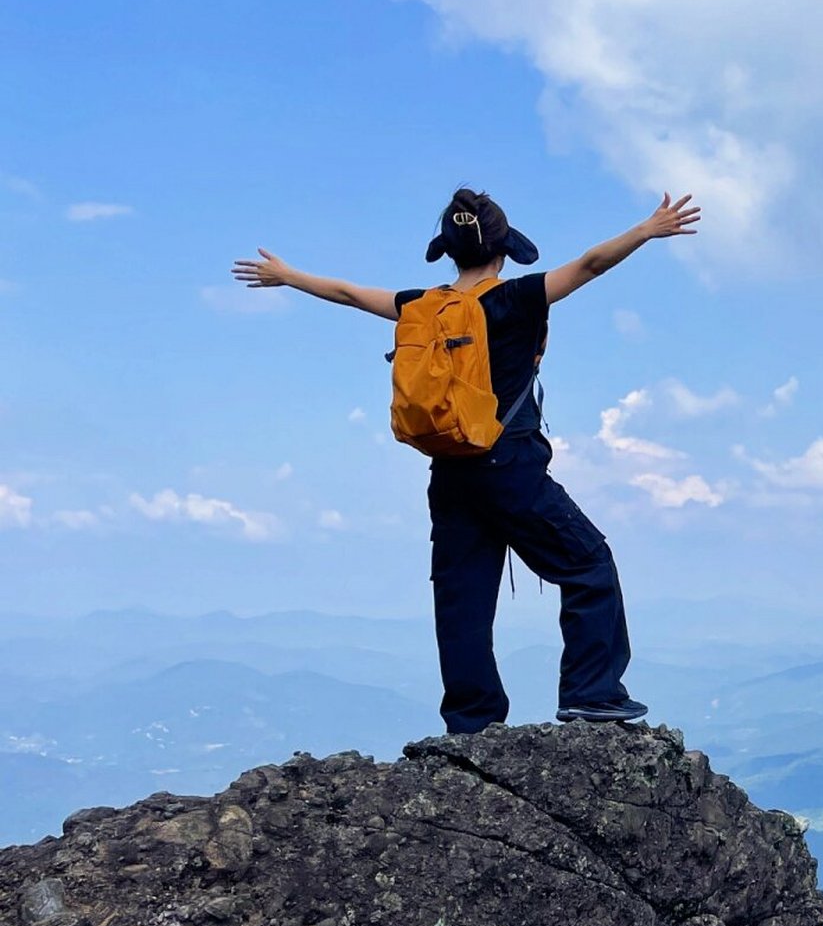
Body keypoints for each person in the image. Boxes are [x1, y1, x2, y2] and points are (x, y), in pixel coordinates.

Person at [231, 188, 700, 733]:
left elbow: (350, 294)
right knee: (588, 565)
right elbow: (592, 264)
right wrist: (646, 229)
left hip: (449, 471)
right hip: (511, 467)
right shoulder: (520, 297)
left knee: (462, 599)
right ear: (504, 251)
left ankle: (471, 722)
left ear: (448, 252)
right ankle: (591, 693)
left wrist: (288, 275)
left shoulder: (419, 306)